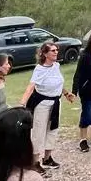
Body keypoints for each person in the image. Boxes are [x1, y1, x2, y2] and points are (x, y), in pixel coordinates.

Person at [19, 41, 72, 169]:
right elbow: (31, 87)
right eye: (53, 50)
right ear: (45, 54)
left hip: (55, 102)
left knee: (52, 130)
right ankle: (34, 162)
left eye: (56, 50)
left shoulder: (56, 66)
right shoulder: (39, 69)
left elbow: (57, 83)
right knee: (38, 132)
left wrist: (66, 93)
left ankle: (47, 158)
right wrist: (21, 103)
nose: (56, 52)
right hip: (42, 104)